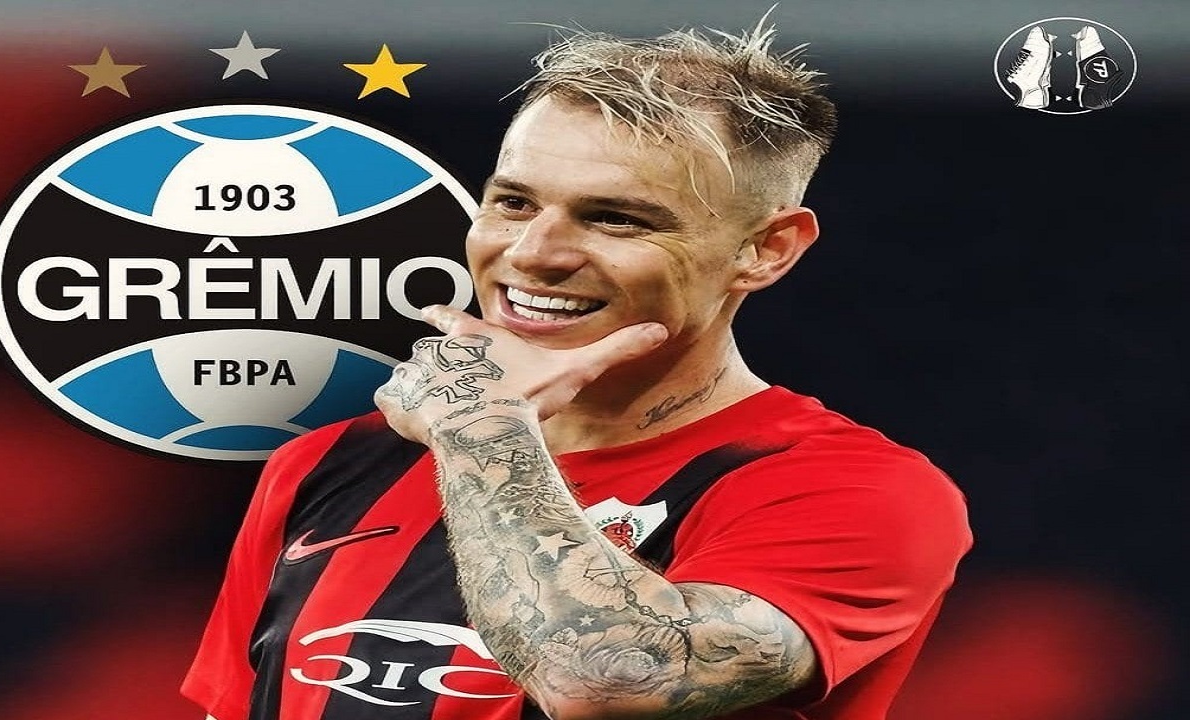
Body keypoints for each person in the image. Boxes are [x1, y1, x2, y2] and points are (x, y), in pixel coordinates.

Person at [182, 19, 972, 720]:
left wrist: (481, 428)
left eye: (615, 219)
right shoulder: (327, 464)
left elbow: (602, 682)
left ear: (765, 249)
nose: (534, 254)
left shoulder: (854, 491)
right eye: (514, 203)